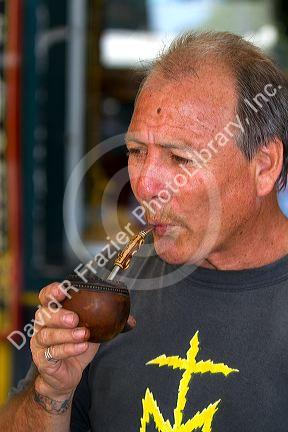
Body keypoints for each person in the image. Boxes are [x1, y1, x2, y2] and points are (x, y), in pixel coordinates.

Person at [1, 30, 288, 432]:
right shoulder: (110, 284)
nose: (145, 186)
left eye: (180, 158)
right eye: (136, 152)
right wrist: (52, 392)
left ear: (264, 165)